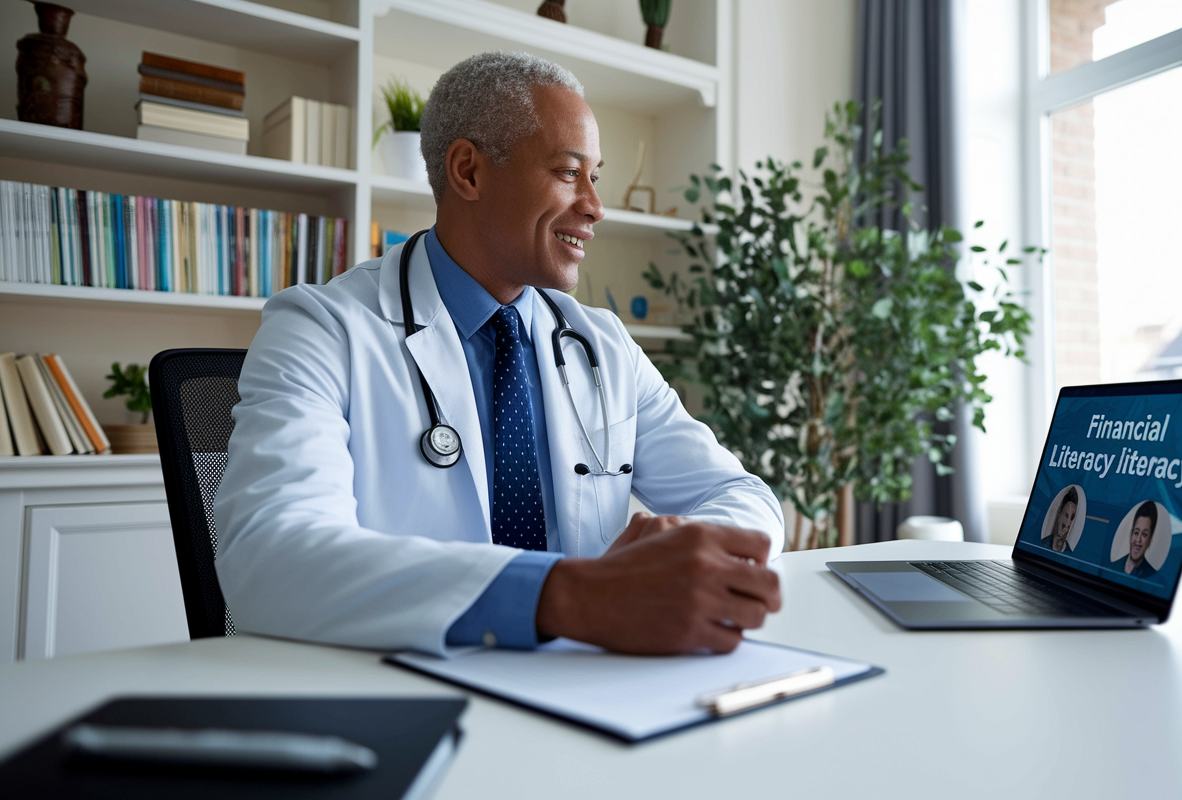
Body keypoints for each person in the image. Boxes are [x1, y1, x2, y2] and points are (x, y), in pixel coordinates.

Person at [212, 52, 784, 658]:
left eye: (596, 176)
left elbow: (742, 495)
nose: (595, 206)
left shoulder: (603, 344)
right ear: (469, 172)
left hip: (589, 685)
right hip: (405, 688)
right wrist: (571, 597)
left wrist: (683, 552)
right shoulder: (320, 329)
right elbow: (269, 558)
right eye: (569, 172)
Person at [1109, 501, 1158, 578]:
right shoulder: (1111, 568)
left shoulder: (1153, 579)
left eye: (1144, 535)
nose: (1138, 540)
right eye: (1136, 532)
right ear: (1130, 535)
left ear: (1150, 539)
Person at [1045, 486, 1079, 553]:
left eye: (1072, 517)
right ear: (1059, 513)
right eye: (1066, 515)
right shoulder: (1041, 543)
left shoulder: (1069, 553)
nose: (1068, 522)